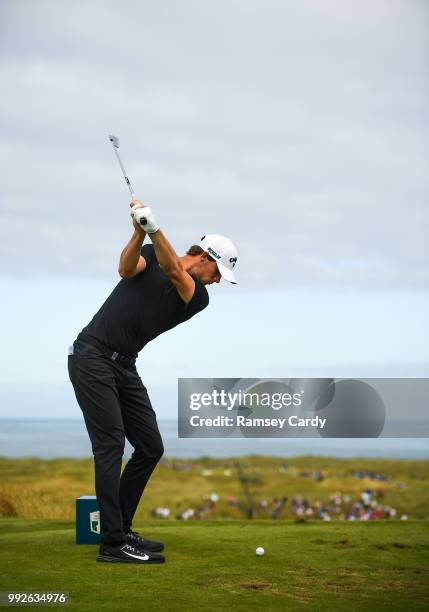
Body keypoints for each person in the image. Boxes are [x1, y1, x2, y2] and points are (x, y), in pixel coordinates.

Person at [67, 199, 238, 564]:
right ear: (206, 257)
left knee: (150, 446)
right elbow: (126, 268)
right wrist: (138, 231)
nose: (219, 280)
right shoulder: (150, 249)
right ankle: (112, 544)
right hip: (92, 356)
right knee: (111, 444)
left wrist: (154, 228)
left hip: (125, 366)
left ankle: (121, 529)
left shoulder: (198, 296)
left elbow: (175, 270)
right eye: (219, 271)